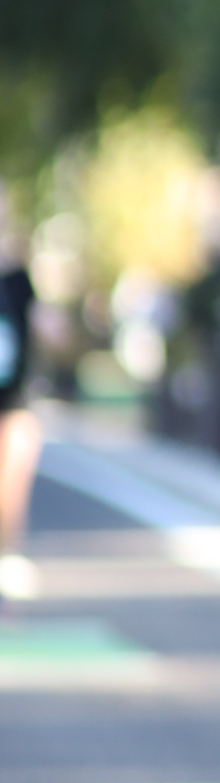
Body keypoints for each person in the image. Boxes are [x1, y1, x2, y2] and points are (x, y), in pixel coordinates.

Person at [0, 183, 43, 605]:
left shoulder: (17, 279)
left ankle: (9, 552)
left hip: (13, 395)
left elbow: (40, 325)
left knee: (13, 471)